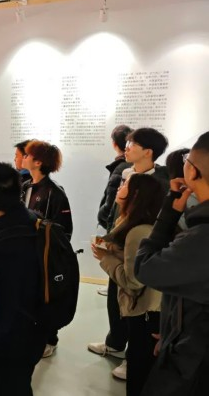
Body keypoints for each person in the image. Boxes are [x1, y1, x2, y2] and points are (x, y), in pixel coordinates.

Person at [89, 127, 169, 380]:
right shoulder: (123, 171)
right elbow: (112, 207)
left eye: (133, 144)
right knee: (116, 297)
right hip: (120, 242)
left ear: (148, 151)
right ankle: (115, 342)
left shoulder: (161, 181)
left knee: (136, 298)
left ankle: (131, 356)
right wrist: (110, 238)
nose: (126, 147)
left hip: (139, 246)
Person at [135, 131, 209, 396]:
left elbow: (145, 268)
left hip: (191, 365)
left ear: (193, 171)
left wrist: (168, 213)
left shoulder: (200, 240)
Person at [0, 161, 45, 396]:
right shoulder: (30, 219)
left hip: (13, 339)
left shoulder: (7, 244)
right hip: (34, 328)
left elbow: (6, 304)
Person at [93, 174, 165, 396]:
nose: (119, 187)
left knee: (139, 372)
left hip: (145, 313)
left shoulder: (138, 230)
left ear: (136, 195)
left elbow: (132, 281)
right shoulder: (130, 223)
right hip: (146, 310)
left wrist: (105, 258)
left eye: (125, 184)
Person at [20, 139, 73, 357]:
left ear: (38, 162)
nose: (22, 158)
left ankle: (50, 338)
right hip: (26, 254)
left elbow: (64, 231)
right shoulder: (25, 187)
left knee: (47, 297)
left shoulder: (54, 193)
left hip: (45, 256)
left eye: (27, 155)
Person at [96, 125, 133, 297]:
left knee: (114, 254)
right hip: (125, 221)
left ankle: (114, 286)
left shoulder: (121, 168)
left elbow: (111, 201)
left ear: (114, 143)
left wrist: (103, 216)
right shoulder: (128, 167)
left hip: (117, 222)